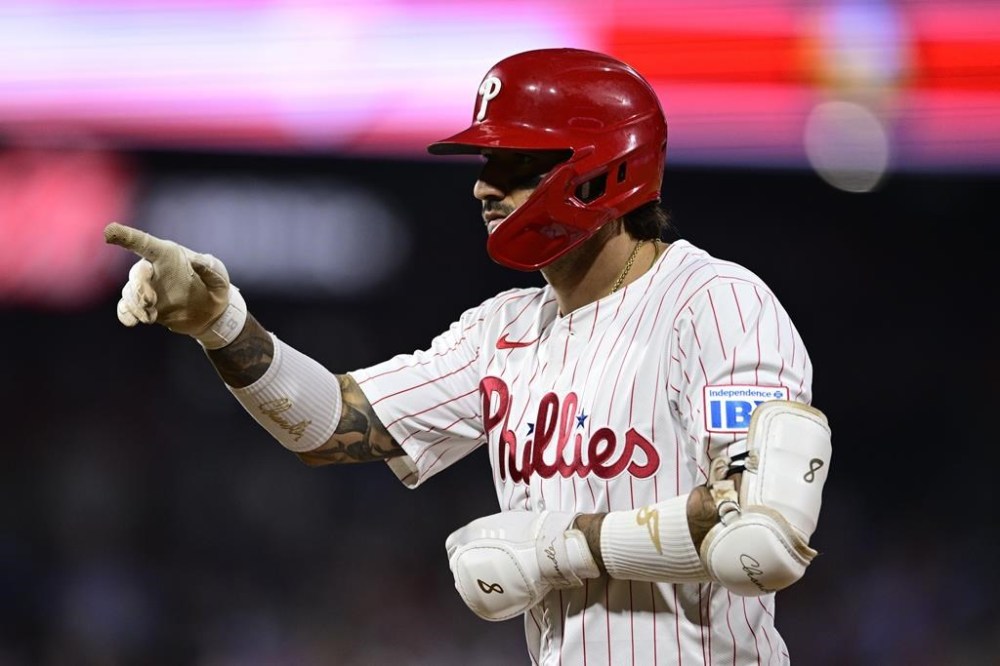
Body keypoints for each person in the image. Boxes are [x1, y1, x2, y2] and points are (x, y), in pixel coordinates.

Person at [105, 48, 832, 665]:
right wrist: (220, 323)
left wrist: (557, 549)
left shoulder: (717, 304)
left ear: (600, 169)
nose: (484, 185)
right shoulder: (503, 331)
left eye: (515, 162)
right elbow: (328, 425)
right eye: (487, 160)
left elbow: (761, 536)